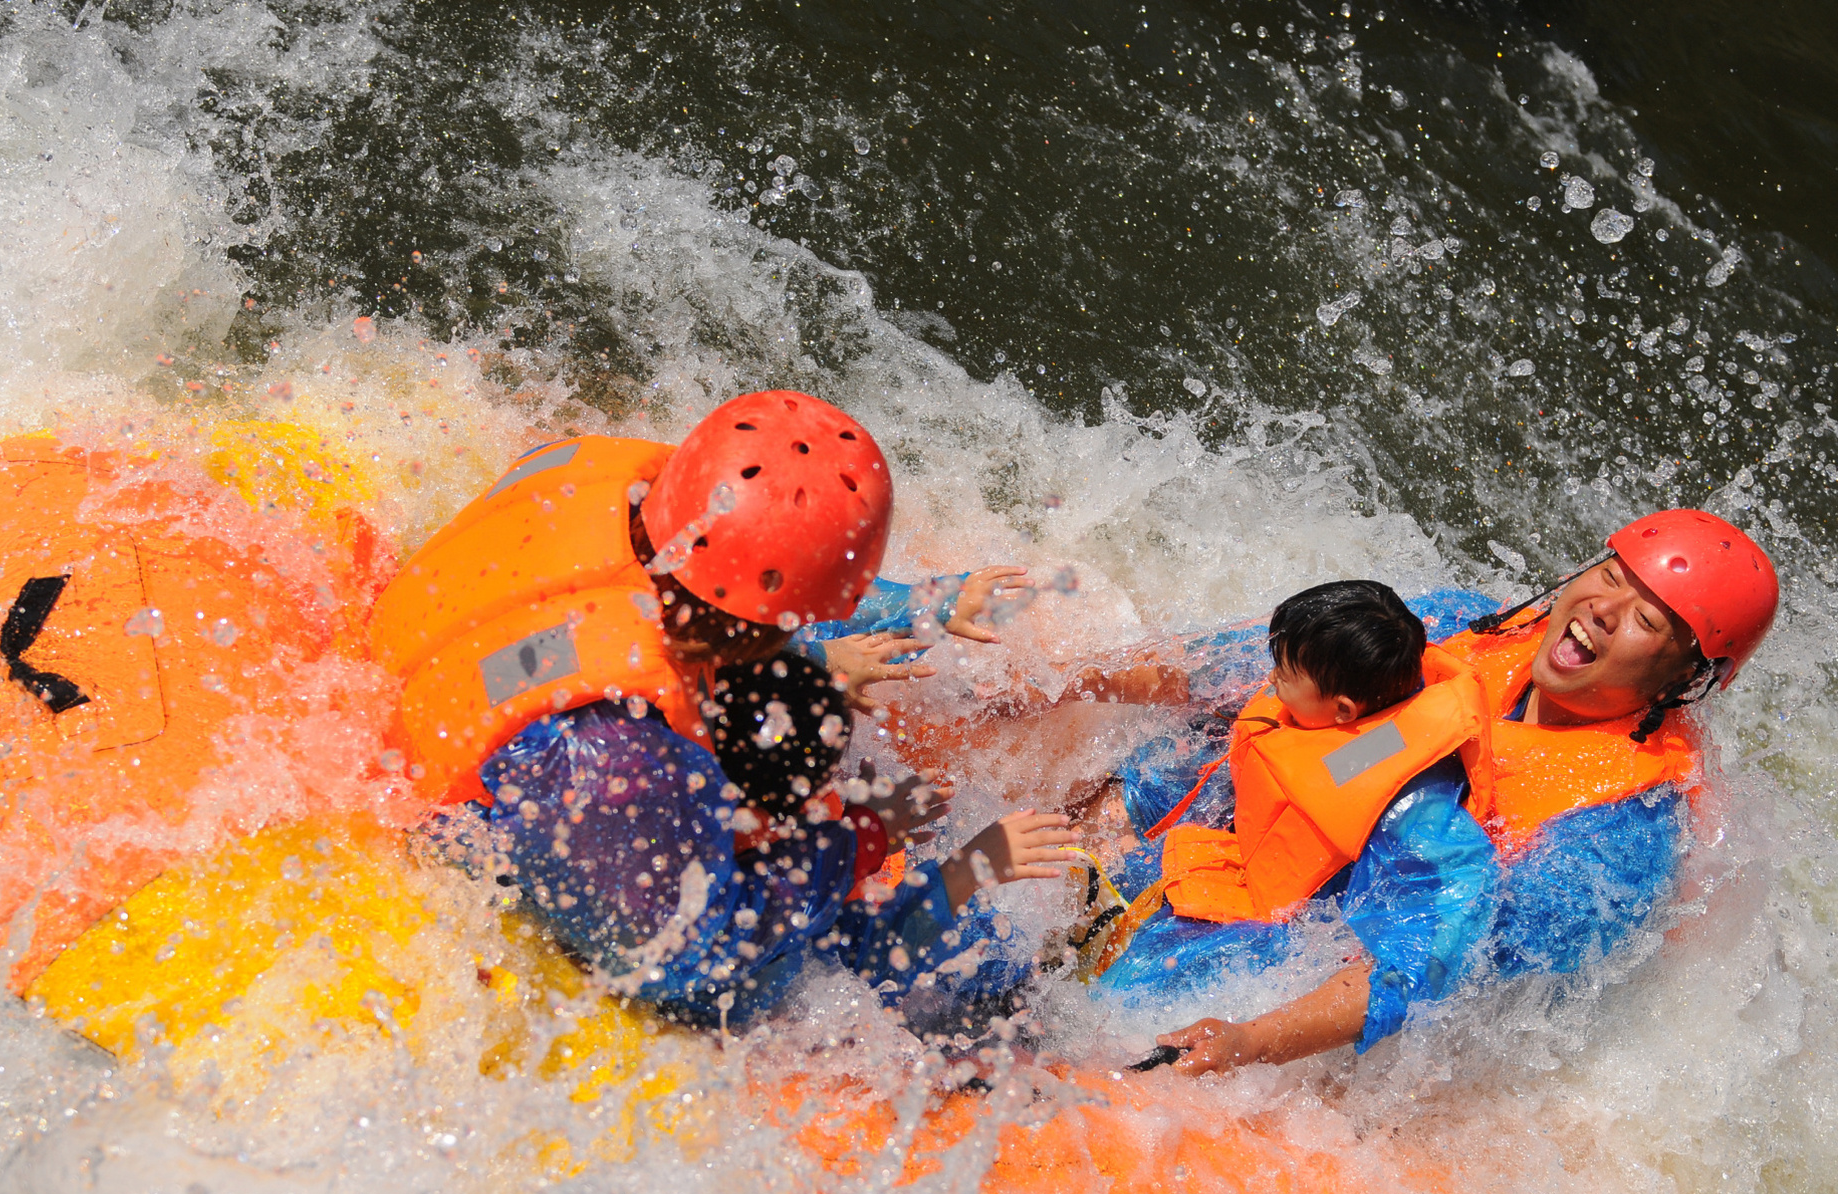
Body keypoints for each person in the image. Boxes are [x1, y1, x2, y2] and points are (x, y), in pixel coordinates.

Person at [369, 390, 1074, 1027]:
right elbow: (684, 961)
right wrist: (859, 837)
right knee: (785, 975)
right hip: (496, 826)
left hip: (461, 676)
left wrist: (918, 606)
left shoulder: (646, 495)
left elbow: (749, 573)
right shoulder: (614, 753)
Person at [1082, 510, 1778, 1074]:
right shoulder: (1462, 630)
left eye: (1646, 621)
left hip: (1297, 963)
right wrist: (1059, 683)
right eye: (1609, 576)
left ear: (1683, 679)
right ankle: (1105, 828)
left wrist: (1251, 1041)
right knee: (1213, 744)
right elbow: (1247, 666)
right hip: (1228, 851)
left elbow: (1437, 961)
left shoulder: (1620, 836)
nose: (1603, 610)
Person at [1097, 579, 1489, 953]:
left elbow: (1452, 897)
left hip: (1278, 914)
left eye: (1283, 675)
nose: (1270, 678)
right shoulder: (1332, 671)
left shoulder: (1404, 802)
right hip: (1248, 839)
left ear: (1343, 710)